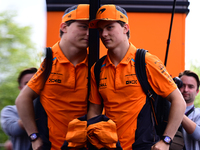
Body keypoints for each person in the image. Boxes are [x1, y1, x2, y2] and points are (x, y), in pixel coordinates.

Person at [87, 4, 186, 150]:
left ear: (125, 28)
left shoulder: (146, 61)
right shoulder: (97, 68)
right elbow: (95, 110)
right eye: (100, 30)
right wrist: (95, 138)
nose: (103, 34)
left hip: (143, 146)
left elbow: (179, 101)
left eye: (109, 27)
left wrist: (166, 141)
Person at [15, 4, 90, 150]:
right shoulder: (49, 59)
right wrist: (35, 139)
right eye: (83, 26)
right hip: (51, 145)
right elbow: (22, 99)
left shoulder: (96, 62)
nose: (88, 33)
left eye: (92, 29)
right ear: (64, 27)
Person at [1, 67, 37, 150]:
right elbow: (13, 129)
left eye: (35, 82)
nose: (31, 86)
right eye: (27, 83)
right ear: (20, 89)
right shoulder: (10, 110)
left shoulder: (52, 106)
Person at [178, 70, 200, 150]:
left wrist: (175, 110)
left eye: (190, 86)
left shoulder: (198, 113)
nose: (185, 90)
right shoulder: (164, 110)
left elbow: (198, 134)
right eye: (182, 85)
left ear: (197, 91)